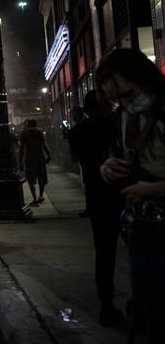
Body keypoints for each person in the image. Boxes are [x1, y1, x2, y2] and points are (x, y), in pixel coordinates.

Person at [96, 48, 165, 343]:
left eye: (128, 94)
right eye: (116, 99)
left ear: (145, 79)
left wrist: (153, 189)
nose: (125, 104)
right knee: (149, 306)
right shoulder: (123, 118)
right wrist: (107, 168)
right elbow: (116, 156)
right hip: (143, 227)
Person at [68, 89, 125, 327]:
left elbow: (75, 158)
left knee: (104, 252)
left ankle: (106, 305)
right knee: (137, 249)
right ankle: (141, 304)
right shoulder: (116, 124)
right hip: (125, 192)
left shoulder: (77, 132)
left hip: (97, 195)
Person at [19, 119, 51, 206]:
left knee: (30, 180)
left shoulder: (24, 134)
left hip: (29, 159)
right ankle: (41, 196)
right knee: (41, 179)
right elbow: (44, 145)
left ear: (27, 125)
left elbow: (21, 149)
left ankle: (35, 199)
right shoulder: (39, 132)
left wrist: (20, 162)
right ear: (36, 125)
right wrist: (48, 155)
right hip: (40, 158)